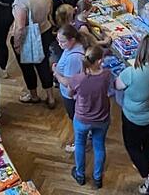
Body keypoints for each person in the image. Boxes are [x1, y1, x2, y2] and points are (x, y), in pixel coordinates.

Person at [115, 36, 149, 193]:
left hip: (134, 117)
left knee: (132, 145)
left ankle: (147, 174)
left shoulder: (131, 73)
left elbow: (117, 86)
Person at [55, 46, 112, 189]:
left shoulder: (78, 78)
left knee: (80, 144)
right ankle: (97, 178)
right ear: (99, 61)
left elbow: (69, 94)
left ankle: (80, 175)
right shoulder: (106, 75)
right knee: (99, 146)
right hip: (102, 118)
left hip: (82, 119)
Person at [9, 0, 56, 107]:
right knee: (43, 65)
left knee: (27, 67)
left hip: (28, 37)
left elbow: (20, 27)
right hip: (45, 31)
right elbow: (50, 13)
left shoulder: (21, 1)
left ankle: (34, 95)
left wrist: (17, 44)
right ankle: (50, 96)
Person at [52, 24, 86, 152]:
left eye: (63, 41)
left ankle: (80, 143)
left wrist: (56, 72)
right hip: (71, 94)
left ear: (72, 40)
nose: (60, 44)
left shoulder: (74, 57)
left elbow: (68, 82)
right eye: (58, 40)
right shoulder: (71, 48)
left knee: (76, 120)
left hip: (70, 95)